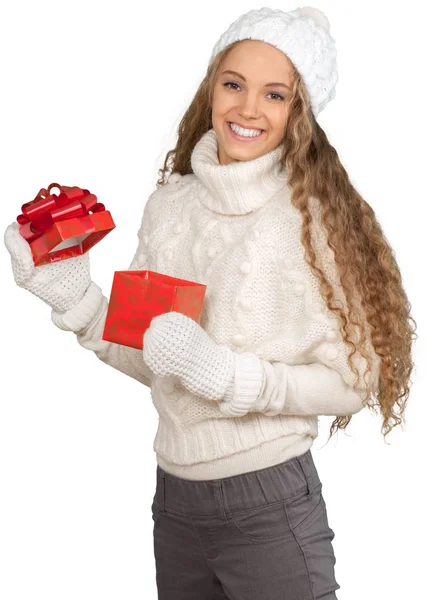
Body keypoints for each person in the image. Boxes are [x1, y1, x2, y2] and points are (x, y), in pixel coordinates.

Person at [4, 6, 416, 600]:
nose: (248, 109)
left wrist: (229, 376)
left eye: (274, 95)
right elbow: (155, 360)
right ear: (211, 88)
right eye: (234, 84)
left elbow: (356, 379)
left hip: (269, 505)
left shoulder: (313, 222)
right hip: (175, 505)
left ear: (299, 112)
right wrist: (82, 304)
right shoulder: (171, 207)